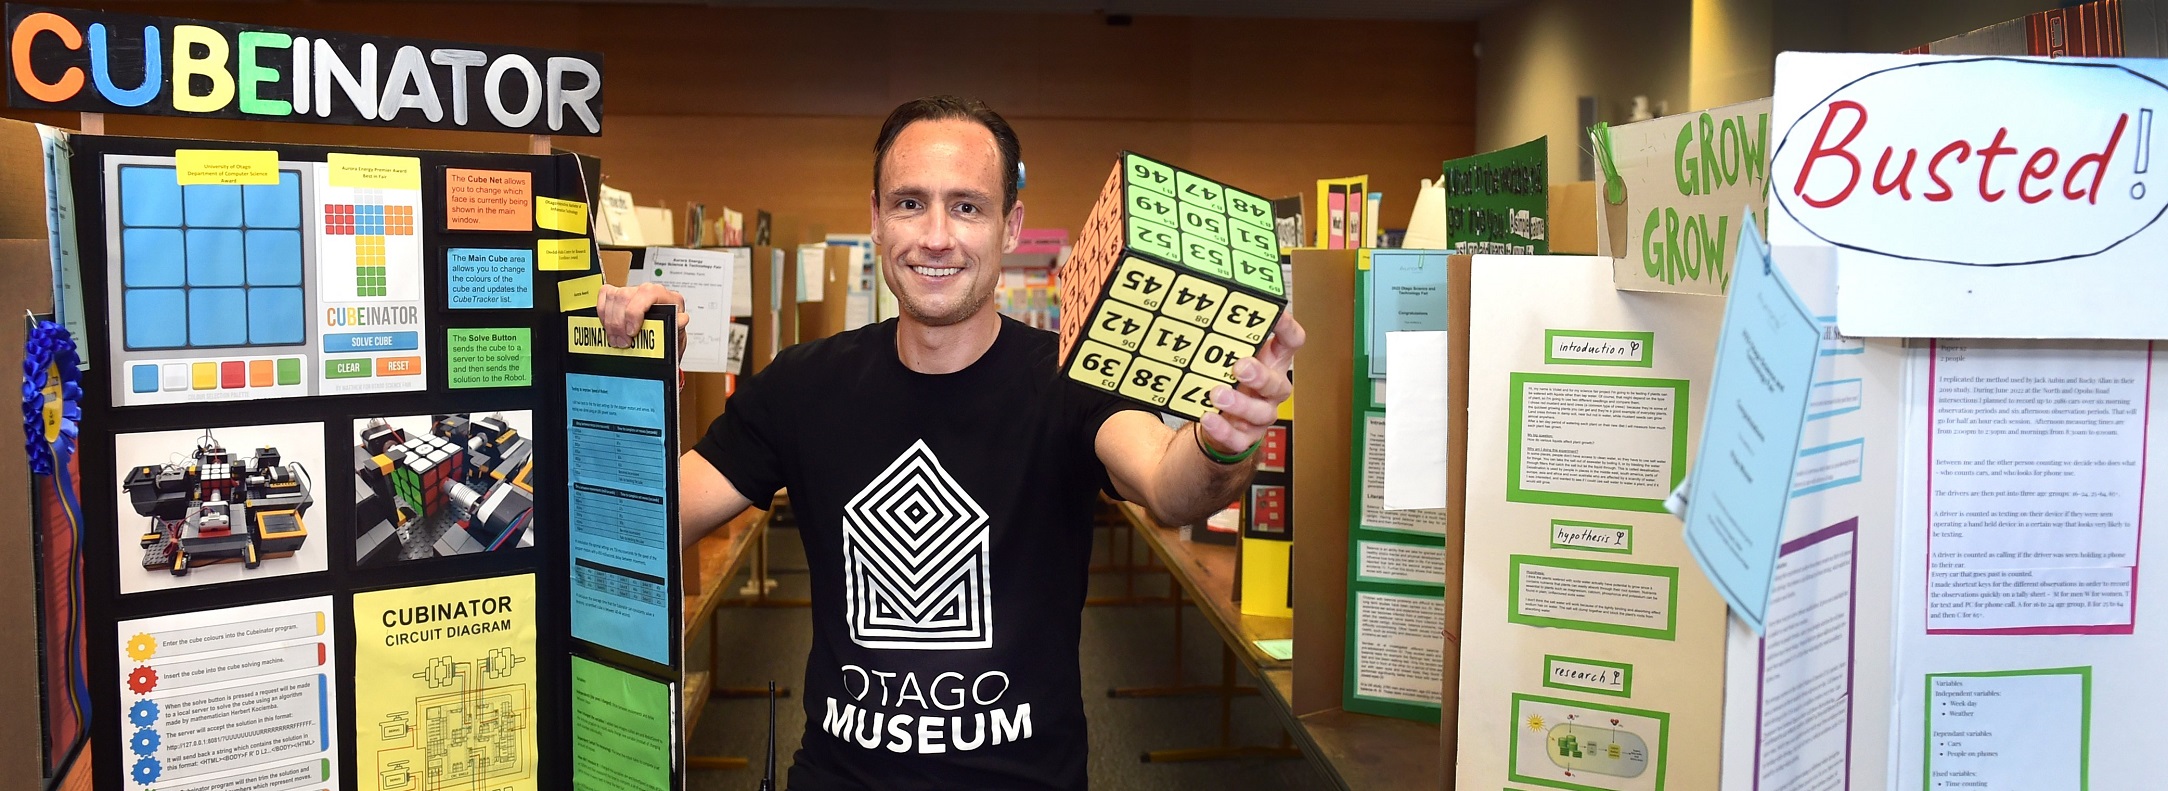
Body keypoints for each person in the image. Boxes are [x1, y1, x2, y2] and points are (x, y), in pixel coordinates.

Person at [597, 95, 1304, 790]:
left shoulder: (1069, 378)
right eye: (910, 203)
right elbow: (638, 521)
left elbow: (1169, 485)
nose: (936, 236)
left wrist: (1224, 440)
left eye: (967, 206)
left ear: (1010, 226)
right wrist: (630, 377)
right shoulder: (802, 385)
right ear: (876, 219)